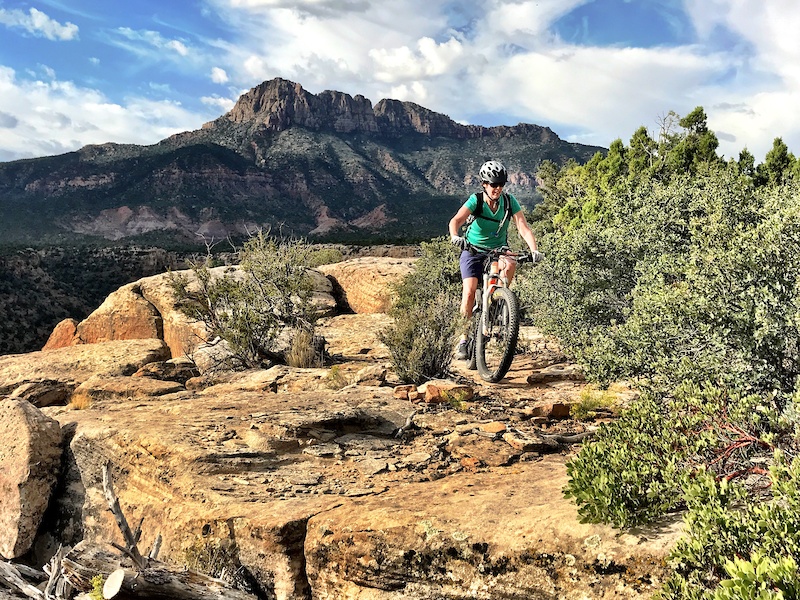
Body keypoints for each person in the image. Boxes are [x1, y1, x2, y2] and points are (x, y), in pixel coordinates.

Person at [448, 160, 540, 359]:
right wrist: (456, 236)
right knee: (470, 291)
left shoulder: (509, 202)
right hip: (472, 249)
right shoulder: (476, 200)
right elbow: (456, 220)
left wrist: (534, 250)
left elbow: (523, 227)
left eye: (500, 184)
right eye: (493, 184)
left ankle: (498, 300)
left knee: (510, 263)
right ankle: (463, 339)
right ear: (484, 184)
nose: (497, 188)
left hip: (498, 249)